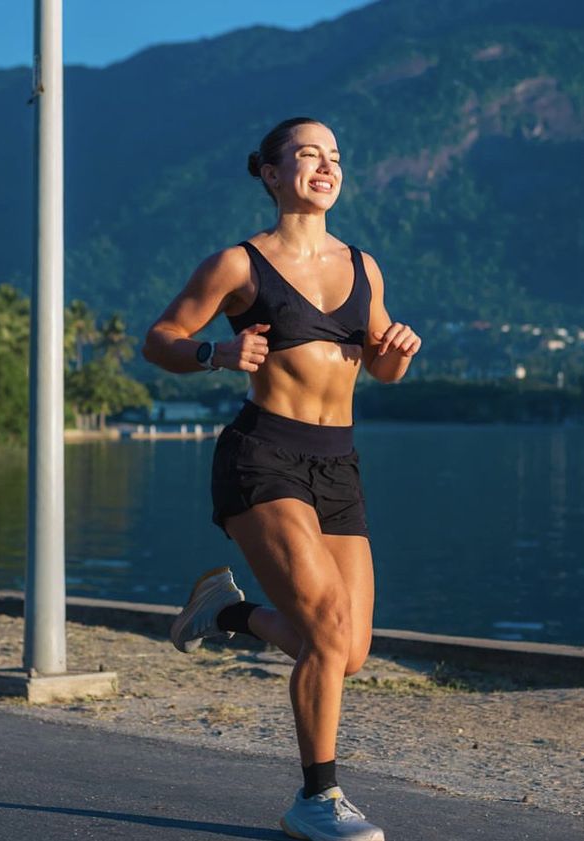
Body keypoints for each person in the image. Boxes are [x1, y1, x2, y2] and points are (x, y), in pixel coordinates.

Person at [143, 116, 421, 841]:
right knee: (326, 632)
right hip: (261, 455)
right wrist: (215, 353)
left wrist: (396, 349)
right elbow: (161, 339)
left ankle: (224, 612)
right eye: (306, 155)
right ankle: (316, 799)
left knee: (348, 652)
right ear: (270, 173)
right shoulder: (239, 264)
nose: (324, 166)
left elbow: (381, 368)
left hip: (338, 465)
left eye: (334, 155)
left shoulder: (364, 267)